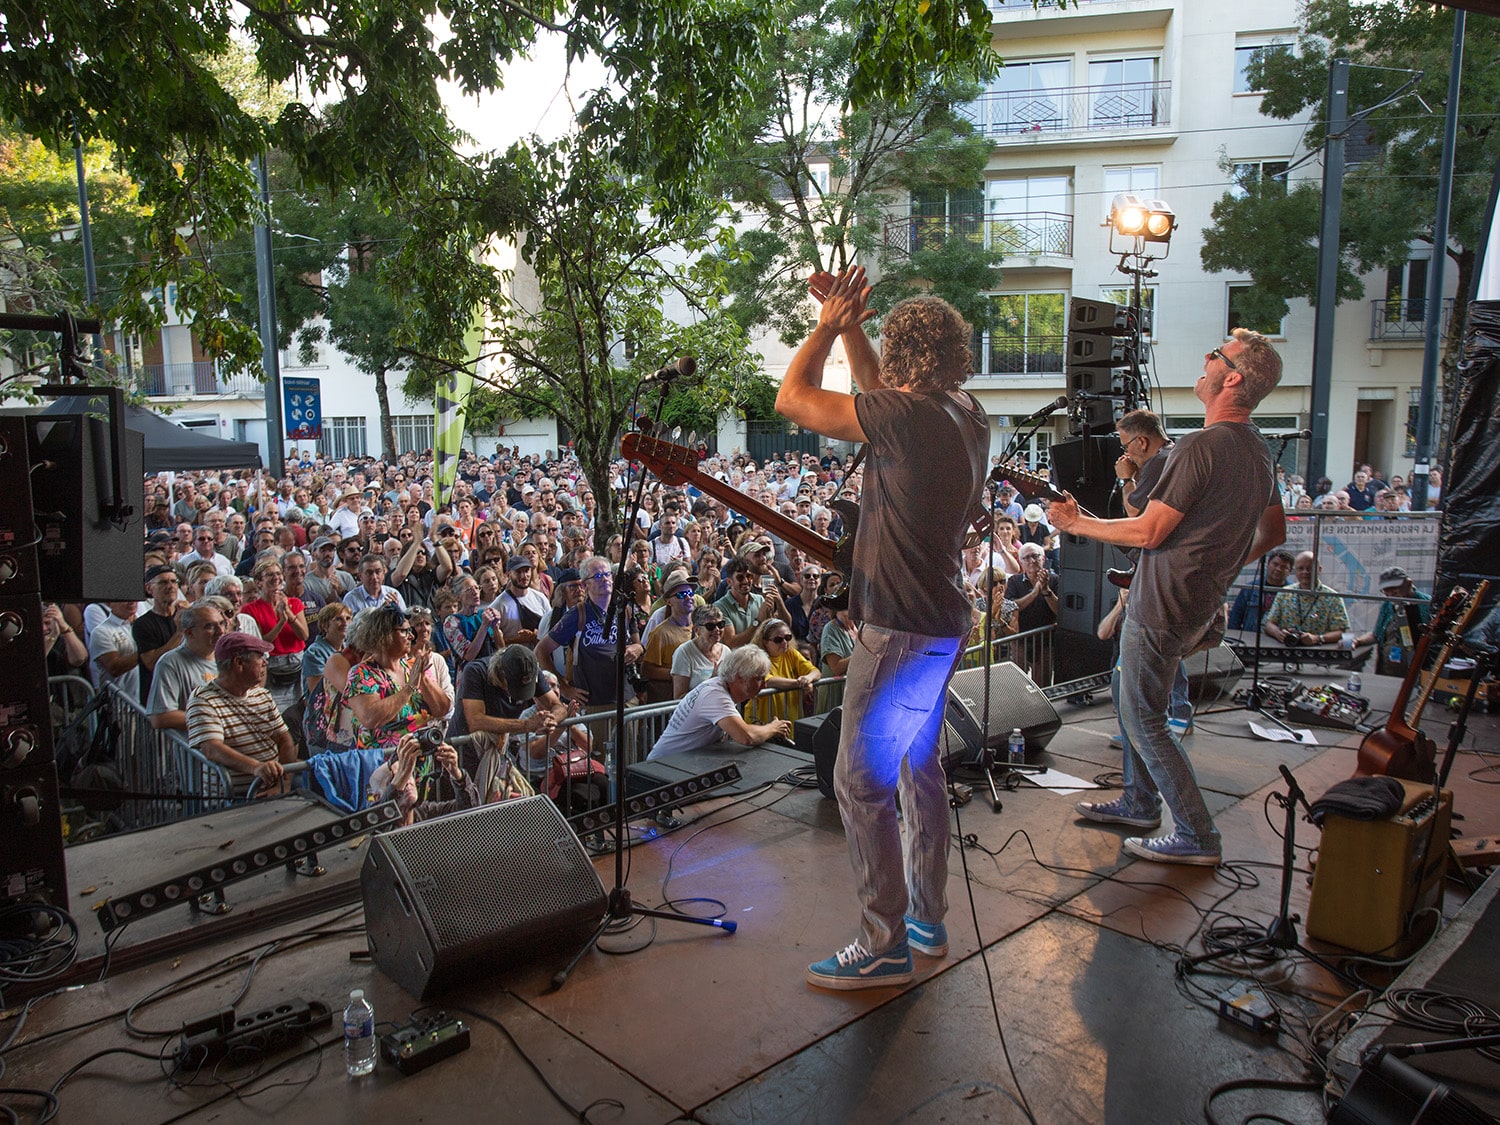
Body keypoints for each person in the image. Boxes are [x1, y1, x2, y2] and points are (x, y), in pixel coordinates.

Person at [777, 266, 988, 990]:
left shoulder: (906, 417)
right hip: (941, 623)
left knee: (859, 782)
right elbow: (879, 394)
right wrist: (859, 327)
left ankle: (883, 940)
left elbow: (793, 398)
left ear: (903, 353)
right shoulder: (964, 410)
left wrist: (831, 323)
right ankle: (926, 917)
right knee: (917, 767)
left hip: (896, 627)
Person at [1052, 328, 1286, 866]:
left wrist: (1077, 521)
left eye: (1215, 353)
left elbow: (1148, 532)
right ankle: (1138, 801)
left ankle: (1196, 835)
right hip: (1197, 602)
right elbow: (1273, 534)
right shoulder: (1258, 451)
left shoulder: (1201, 446)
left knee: (1142, 718)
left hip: (1163, 603)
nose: (1204, 358)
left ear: (1231, 378)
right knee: (1143, 707)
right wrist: (1217, 566)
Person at [186, 632, 295, 797]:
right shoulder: (203, 700)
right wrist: (256, 767)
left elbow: (284, 739)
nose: (265, 662)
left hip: (272, 788)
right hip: (234, 798)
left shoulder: (262, 695)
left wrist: (285, 783)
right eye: (259, 657)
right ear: (239, 663)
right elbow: (212, 748)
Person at [646, 645, 792, 760]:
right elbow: (747, 736)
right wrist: (774, 728)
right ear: (739, 677)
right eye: (758, 679)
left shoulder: (719, 688)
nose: (764, 685)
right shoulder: (715, 696)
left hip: (678, 763)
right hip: (663, 767)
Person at [345, 605, 447, 750]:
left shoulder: (412, 666)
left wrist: (422, 677)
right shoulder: (361, 674)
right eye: (405, 631)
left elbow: (442, 709)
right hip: (385, 764)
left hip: (421, 761)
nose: (411, 636)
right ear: (384, 634)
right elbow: (370, 718)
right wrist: (409, 688)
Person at [367, 732, 481, 826]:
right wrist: (402, 773)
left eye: (409, 774)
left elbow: (470, 813)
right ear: (377, 797)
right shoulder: (372, 822)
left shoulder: (426, 811)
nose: (407, 781)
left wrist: (457, 774)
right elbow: (382, 816)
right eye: (395, 778)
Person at [242, 556, 309, 713]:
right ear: (259, 582)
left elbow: (304, 635)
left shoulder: (294, 603)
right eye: (270, 575)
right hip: (273, 667)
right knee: (277, 713)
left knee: (301, 711)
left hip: (297, 663)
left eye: (278, 573)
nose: (276, 578)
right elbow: (262, 643)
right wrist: (281, 623)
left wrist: (288, 614)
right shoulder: (250, 609)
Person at [147, 601, 227, 731]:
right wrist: (217, 721)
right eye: (210, 626)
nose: (220, 631)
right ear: (189, 633)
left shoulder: (227, 657)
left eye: (222, 623)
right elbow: (161, 717)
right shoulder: (170, 663)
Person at [1262, 551, 1351, 648]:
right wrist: (1278, 633)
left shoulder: (1333, 597)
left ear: (1319, 569)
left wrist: (1317, 638)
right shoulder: (1284, 593)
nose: (1305, 572)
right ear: (1295, 571)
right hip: (1286, 650)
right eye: (1300, 568)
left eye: (1310, 568)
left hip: (1317, 655)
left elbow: (1341, 631)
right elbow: (1269, 623)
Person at [1355, 565, 1432, 675]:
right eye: (1386, 590)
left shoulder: (1426, 604)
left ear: (1409, 583)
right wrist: (1357, 641)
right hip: (1388, 669)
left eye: (1394, 588)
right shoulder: (1387, 604)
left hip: (1416, 672)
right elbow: (1377, 634)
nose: (1390, 594)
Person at [744, 618, 821, 724]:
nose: (785, 642)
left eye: (788, 637)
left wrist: (808, 678)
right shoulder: (757, 658)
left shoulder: (791, 653)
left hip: (790, 713)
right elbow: (767, 681)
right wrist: (799, 683)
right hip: (763, 715)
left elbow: (815, 671)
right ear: (765, 641)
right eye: (778, 640)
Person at [133, 564, 184, 704]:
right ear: (149, 588)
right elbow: (151, 663)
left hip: (184, 692)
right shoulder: (142, 624)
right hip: (158, 697)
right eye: (163, 582)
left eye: (174, 581)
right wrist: (181, 632)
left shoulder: (188, 615)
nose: (170, 586)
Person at [1227, 548, 1294, 632]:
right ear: (1267, 564)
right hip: (1252, 640)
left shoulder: (1294, 593)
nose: (1278, 569)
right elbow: (1235, 618)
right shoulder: (1249, 589)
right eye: (1275, 564)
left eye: (1284, 567)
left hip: (1281, 641)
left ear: (1290, 571)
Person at [343, 554, 407, 614]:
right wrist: (380, 612)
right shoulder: (351, 598)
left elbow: (405, 621)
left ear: (384, 573)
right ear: (360, 576)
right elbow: (353, 625)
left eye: (378, 572)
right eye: (369, 573)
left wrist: (398, 611)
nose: (374, 577)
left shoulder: (393, 593)